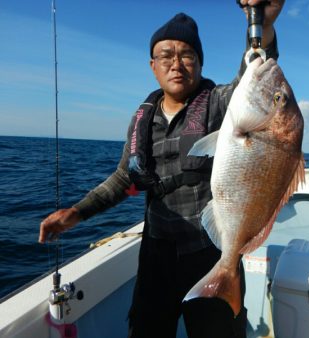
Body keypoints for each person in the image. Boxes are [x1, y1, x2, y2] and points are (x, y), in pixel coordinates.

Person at [39, 1, 285, 337]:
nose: (177, 64)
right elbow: (124, 178)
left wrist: (263, 26)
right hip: (156, 251)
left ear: (199, 63)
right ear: (153, 66)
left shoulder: (222, 102)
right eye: (166, 55)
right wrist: (75, 214)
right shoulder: (143, 118)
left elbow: (257, 77)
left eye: (187, 55)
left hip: (209, 250)